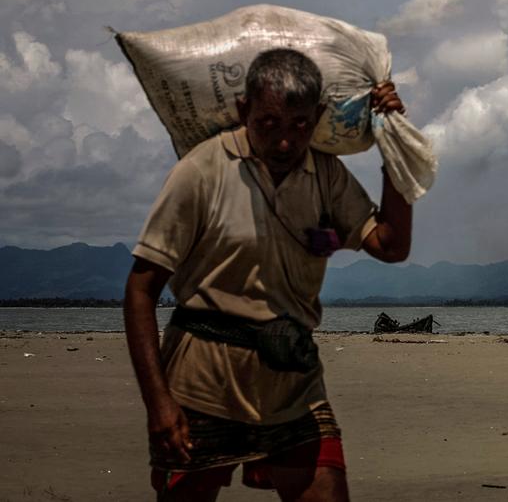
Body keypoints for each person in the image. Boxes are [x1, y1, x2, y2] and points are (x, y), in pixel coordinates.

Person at [123, 48, 413, 501]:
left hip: (293, 379)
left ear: (318, 116)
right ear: (244, 111)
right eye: (269, 124)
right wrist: (158, 403)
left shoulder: (326, 174)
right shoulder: (202, 171)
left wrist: (392, 141)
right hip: (202, 382)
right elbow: (141, 290)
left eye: (299, 125)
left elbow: (391, 245)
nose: (284, 142)